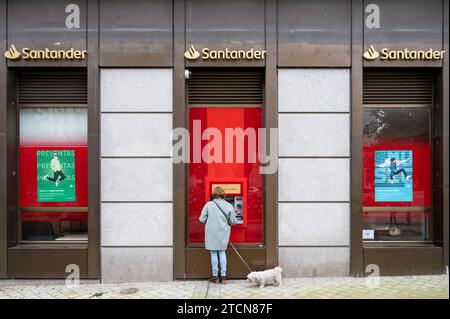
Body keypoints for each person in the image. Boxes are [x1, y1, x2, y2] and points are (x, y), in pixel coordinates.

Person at [199, 186, 237, 284]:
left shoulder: (208, 205)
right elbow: (233, 221)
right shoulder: (229, 205)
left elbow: (202, 219)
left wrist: (210, 220)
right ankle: (223, 277)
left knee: (213, 253)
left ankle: (215, 277)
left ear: (213, 195)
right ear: (223, 195)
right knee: (222, 252)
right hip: (223, 232)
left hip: (211, 232)